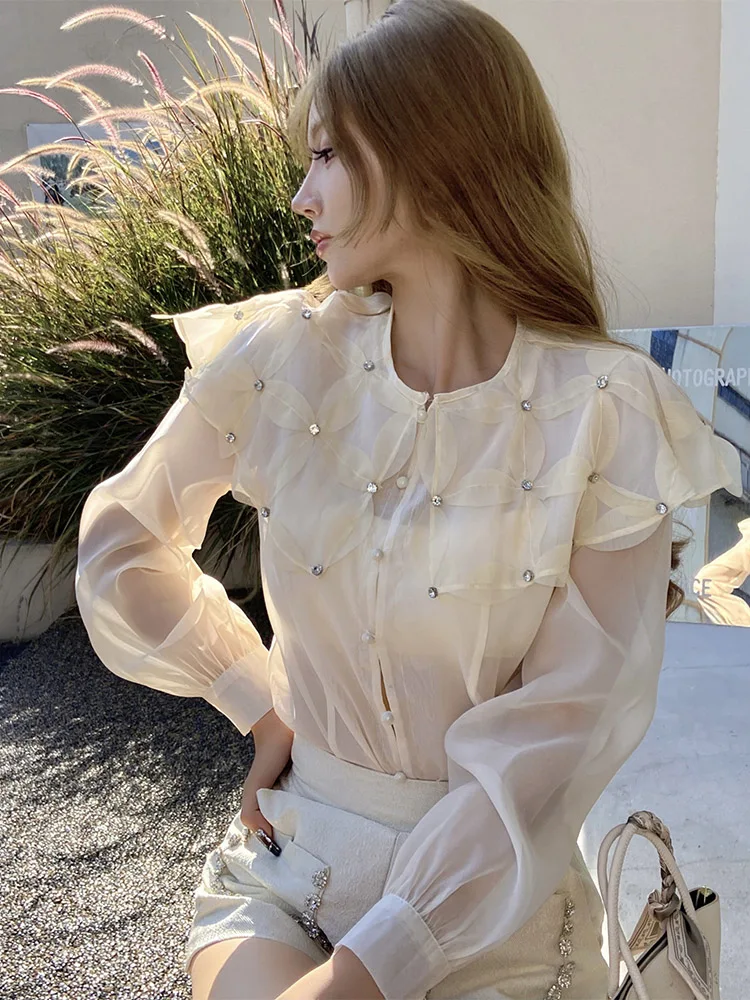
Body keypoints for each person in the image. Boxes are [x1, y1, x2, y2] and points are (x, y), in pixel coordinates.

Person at [74, 1, 744, 998]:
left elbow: (555, 745)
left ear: (433, 155)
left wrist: (365, 971)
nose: (301, 194)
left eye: (328, 155)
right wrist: (257, 703)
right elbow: (120, 544)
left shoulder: (607, 414)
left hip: (494, 919)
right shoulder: (281, 356)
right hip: (290, 873)